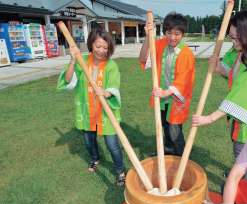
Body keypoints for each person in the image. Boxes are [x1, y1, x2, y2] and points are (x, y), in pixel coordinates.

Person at [192, 10, 247, 160]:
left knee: (243, 155)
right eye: (231, 38)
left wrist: (209, 118)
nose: (233, 42)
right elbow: (234, 74)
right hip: (244, 116)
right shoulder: (242, 52)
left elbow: (241, 96)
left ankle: (241, 180)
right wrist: (218, 67)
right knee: (240, 150)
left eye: (237, 39)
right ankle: (240, 175)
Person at [57, 29, 126, 186]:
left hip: (105, 112)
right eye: (98, 46)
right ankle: (95, 159)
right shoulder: (83, 61)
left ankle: (120, 171)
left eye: (105, 47)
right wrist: (73, 60)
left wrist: (105, 92)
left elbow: (114, 86)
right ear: (91, 45)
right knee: (89, 141)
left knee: (112, 145)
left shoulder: (111, 65)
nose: (101, 51)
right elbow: (68, 80)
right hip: (87, 111)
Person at [139, 12, 195, 156]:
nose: (172, 37)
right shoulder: (159, 44)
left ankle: (181, 158)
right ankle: (169, 151)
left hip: (176, 99)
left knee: (174, 130)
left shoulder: (186, 53)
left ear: (183, 34)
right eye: (169, 33)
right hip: (162, 98)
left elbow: (183, 80)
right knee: (165, 126)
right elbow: (143, 58)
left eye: (177, 34)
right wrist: (147, 37)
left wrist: (165, 92)